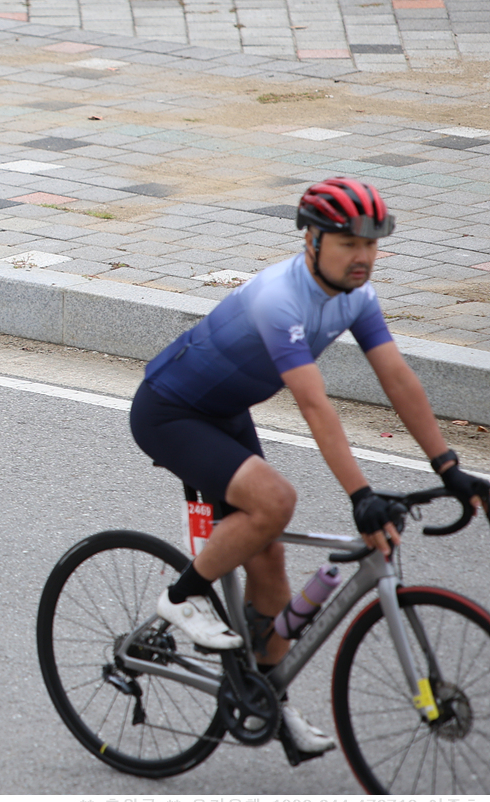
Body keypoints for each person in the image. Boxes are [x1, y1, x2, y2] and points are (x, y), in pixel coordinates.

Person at [131, 175, 489, 760]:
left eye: (371, 243)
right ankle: (180, 597)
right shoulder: (280, 297)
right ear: (312, 241)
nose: (363, 256)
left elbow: (398, 379)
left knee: (270, 563)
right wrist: (360, 494)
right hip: (170, 411)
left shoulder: (357, 296)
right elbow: (315, 405)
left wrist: (449, 467)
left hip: (224, 414)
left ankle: (265, 696)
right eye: (349, 243)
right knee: (275, 501)